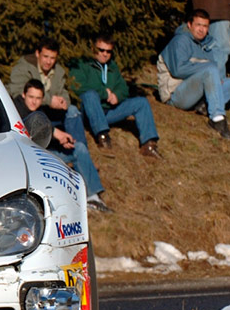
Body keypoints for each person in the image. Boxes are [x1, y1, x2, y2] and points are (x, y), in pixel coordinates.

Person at [14, 79, 112, 213]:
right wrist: (55, 132)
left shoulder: (41, 110)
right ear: (24, 95)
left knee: (79, 148)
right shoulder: (16, 108)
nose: (34, 101)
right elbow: (28, 125)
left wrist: (61, 141)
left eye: (38, 98)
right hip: (27, 160)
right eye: (31, 97)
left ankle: (92, 197)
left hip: (46, 155)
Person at [70, 33, 162, 158]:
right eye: (101, 50)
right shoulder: (82, 64)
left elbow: (124, 88)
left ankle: (149, 144)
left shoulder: (112, 67)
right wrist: (103, 93)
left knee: (141, 102)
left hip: (109, 112)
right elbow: (76, 86)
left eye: (108, 51)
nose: (105, 54)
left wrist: (117, 96)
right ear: (93, 49)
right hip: (89, 111)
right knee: (90, 95)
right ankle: (103, 137)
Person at [157, 9, 230, 140]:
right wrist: (208, 70)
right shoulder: (180, 41)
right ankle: (217, 119)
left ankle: (204, 105)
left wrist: (216, 80)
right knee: (210, 69)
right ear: (189, 25)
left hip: (194, 93)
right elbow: (178, 70)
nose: (201, 29)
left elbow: (208, 71)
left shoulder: (206, 44)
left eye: (205, 26)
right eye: (198, 25)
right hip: (175, 94)